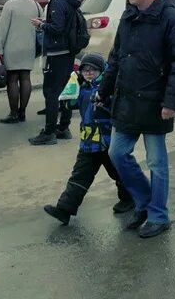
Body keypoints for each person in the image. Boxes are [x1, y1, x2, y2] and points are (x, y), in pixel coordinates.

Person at [97, 0, 175, 239]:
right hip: (127, 98)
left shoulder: (169, 15)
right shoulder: (128, 15)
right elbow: (117, 56)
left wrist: (171, 101)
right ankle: (144, 203)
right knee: (117, 153)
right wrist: (104, 89)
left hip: (155, 100)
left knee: (156, 162)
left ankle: (158, 216)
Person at [43, 54, 136, 225]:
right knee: (79, 176)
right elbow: (72, 104)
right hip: (88, 145)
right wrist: (68, 96)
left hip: (107, 142)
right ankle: (65, 209)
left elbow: (119, 106)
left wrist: (106, 100)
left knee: (120, 173)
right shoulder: (82, 88)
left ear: (102, 71)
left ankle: (130, 199)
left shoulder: (108, 89)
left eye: (93, 70)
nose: (88, 73)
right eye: (85, 70)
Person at [29, 0, 82, 146]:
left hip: (56, 52)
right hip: (67, 51)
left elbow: (57, 28)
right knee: (65, 91)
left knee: (51, 92)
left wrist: (41, 24)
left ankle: (50, 132)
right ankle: (63, 127)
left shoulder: (58, 2)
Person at [0, 0, 42, 124]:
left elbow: (2, 29)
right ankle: (23, 112)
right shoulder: (36, 5)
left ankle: (13, 113)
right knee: (26, 78)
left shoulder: (10, 5)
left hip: (12, 48)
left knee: (12, 79)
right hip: (29, 47)